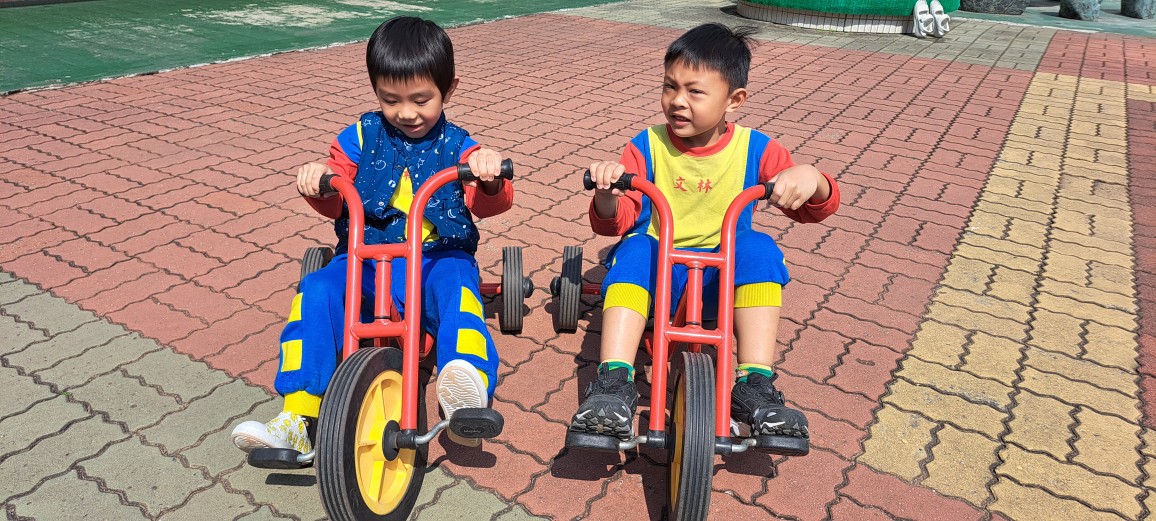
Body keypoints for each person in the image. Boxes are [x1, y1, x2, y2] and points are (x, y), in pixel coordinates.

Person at [231, 16, 512, 453]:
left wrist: (488, 176)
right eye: (390, 99)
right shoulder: (360, 137)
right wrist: (320, 180)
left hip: (436, 257)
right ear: (375, 90)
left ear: (449, 90)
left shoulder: (459, 145)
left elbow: (489, 200)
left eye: (421, 99)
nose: (406, 112)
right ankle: (298, 415)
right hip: (367, 258)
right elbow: (336, 186)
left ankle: (465, 390)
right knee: (318, 289)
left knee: (458, 292)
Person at [571, 23, 840, 448]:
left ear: (734, 100)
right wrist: (607, 194)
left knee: (758, 247)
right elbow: (615, 222)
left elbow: (812, 208)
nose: (677, 101)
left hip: (720, 283)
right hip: (658, 282)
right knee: (635, 247)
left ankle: (755, 383)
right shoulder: (647, 145)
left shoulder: (757, 149)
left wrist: (812, 178)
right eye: (669, 86)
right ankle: (613, 382)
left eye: (695, 92)